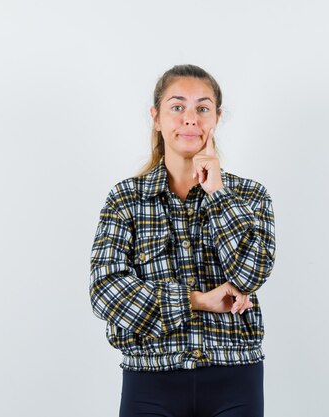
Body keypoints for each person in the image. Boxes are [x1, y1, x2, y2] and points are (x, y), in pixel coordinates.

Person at [89, 64, 276, 417]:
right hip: (150, 378)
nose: (190, 118)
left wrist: (217, 192)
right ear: (156, 117)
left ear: (216, 118)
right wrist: (195, 301)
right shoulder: (126, 199)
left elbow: (251, 275)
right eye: (177, 107)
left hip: (235, 374)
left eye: (202, 108)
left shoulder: (250, 195)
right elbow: (105, 292)